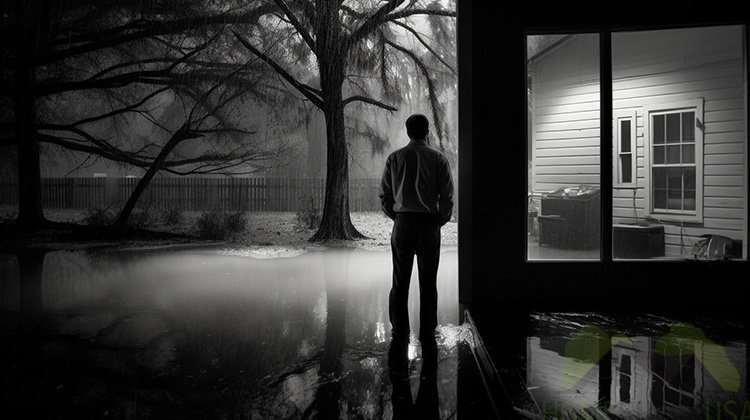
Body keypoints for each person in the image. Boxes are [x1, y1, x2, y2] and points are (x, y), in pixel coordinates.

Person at [379, 114, 454, 347]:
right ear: (427, 131)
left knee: (400, 282)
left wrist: (397, 216)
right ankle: (428, 333)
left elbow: (384, 195)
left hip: (403, 224)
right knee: (428, 283)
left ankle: (400, 332)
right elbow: (447, 196)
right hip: (429, 225)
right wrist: (440, 220)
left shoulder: (395, 158)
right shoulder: (438, 159)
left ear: (408, 131)